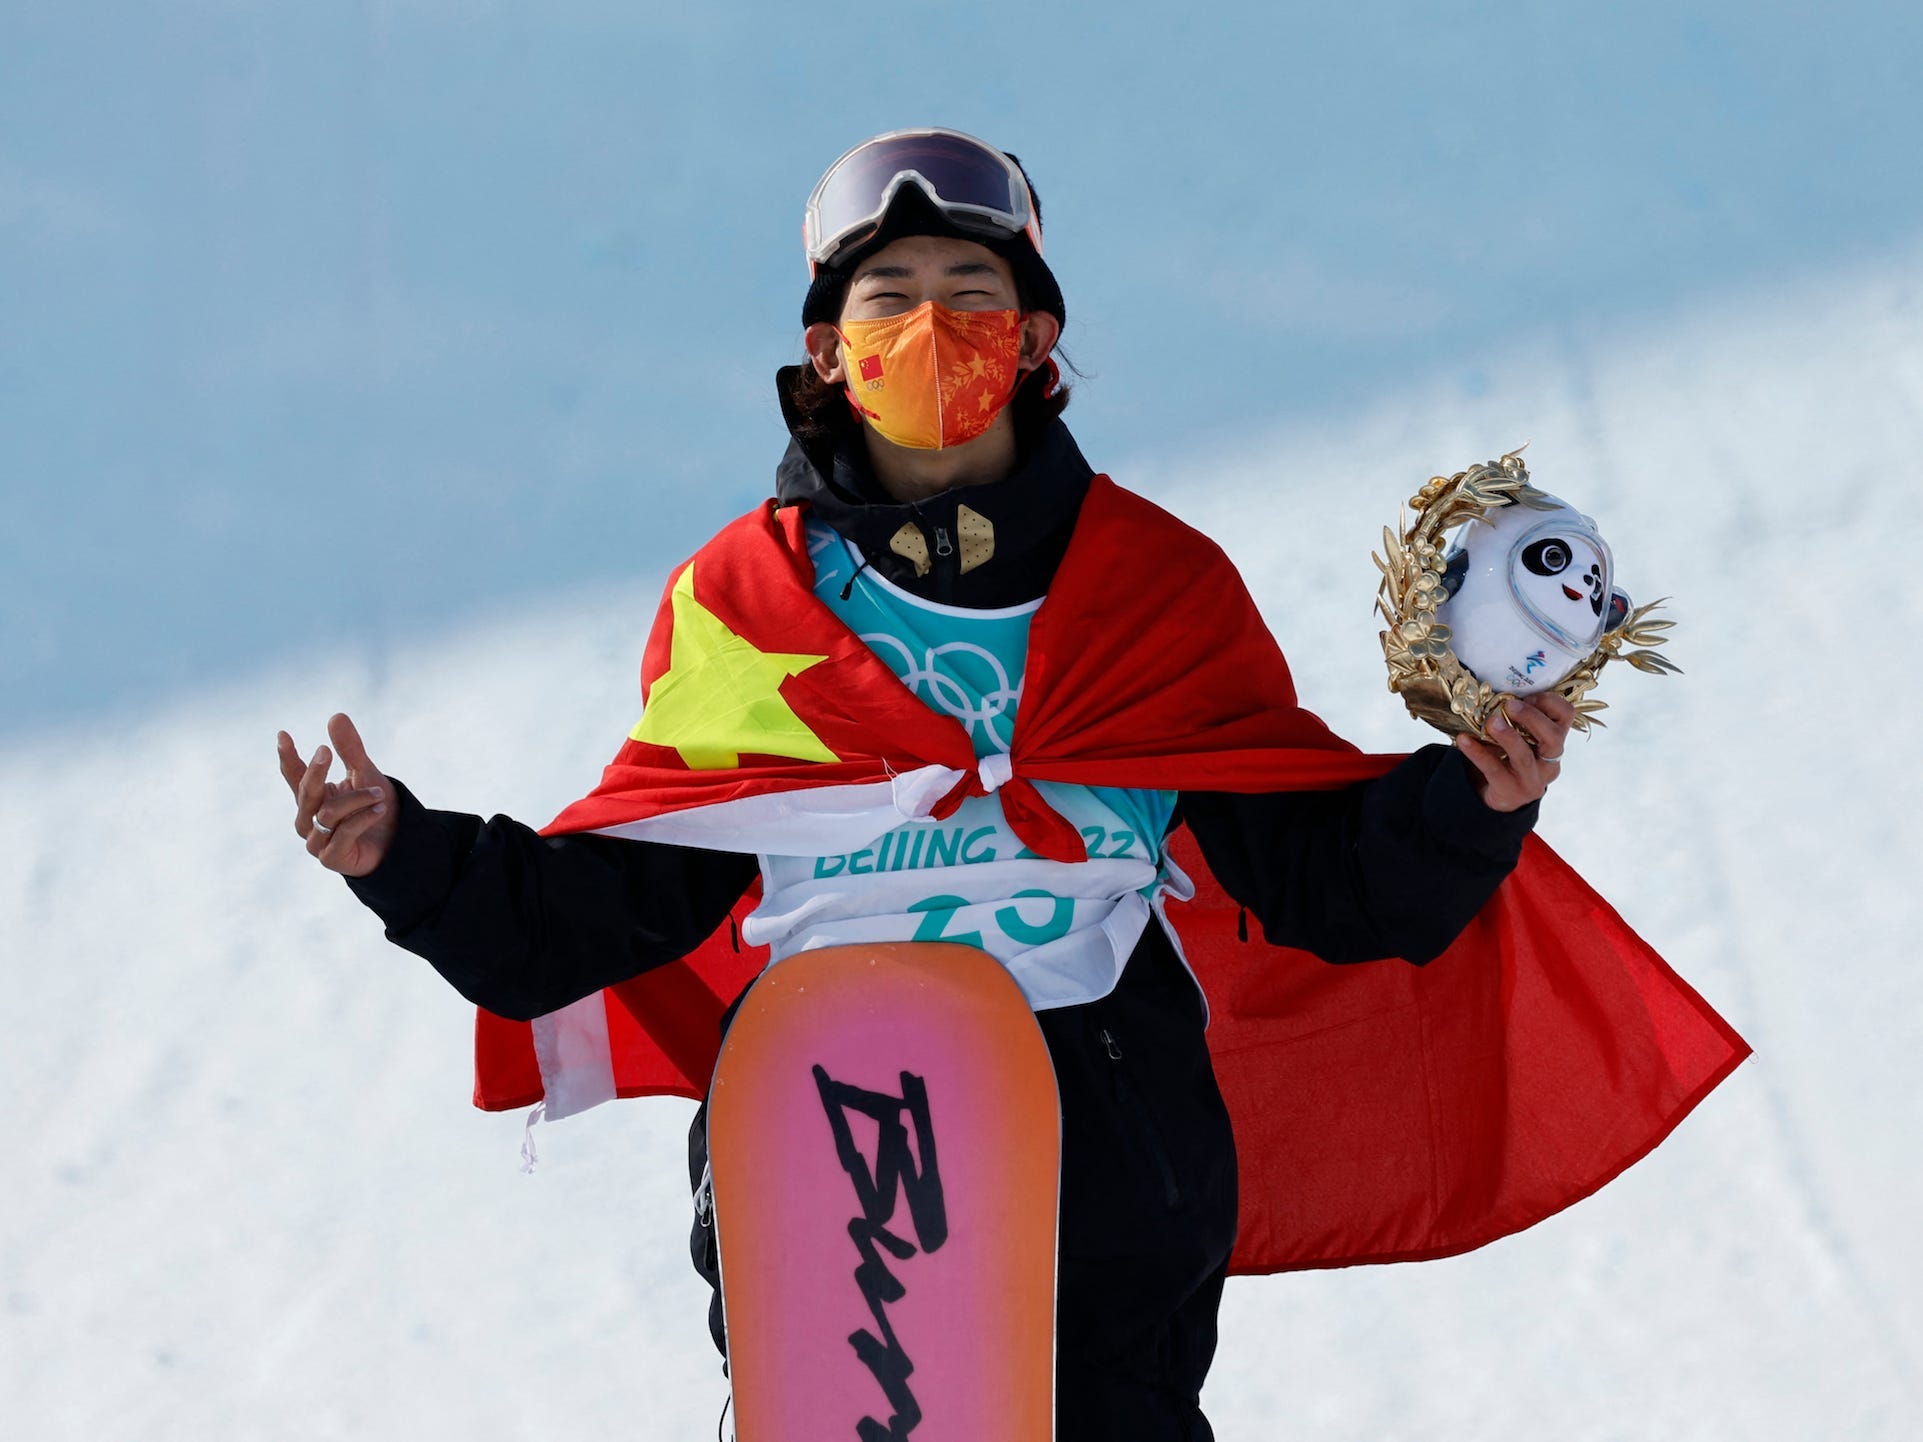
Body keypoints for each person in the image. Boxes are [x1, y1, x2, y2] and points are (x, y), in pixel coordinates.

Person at [278, 128, 1587, 1440]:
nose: (932, 328)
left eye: (972, 294)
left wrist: (1470, 799)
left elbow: (1325, 875)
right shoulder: (748, 599)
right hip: (824, 1129)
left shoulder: (1154, 581)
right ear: (828, 354)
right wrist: (405, 852)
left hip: (1101, 1142)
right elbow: (602, 906)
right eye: (887, 300)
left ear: (1032, 339)